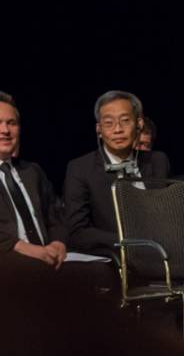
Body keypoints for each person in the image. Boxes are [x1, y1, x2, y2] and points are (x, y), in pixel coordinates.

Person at [64, 90, 170, 256]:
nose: (117, 129)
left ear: (139, 124)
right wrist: (128, 241)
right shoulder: (80, 168)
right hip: (115, 255)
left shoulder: (157, 161)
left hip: (162, 252)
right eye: (108, 123)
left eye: (125, 121)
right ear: (98, 130)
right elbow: (78, 232)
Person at [0, 92, 68, 269]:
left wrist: (58, 243)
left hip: (47, 259)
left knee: (100, 271)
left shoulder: (32, 171)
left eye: (11, 123)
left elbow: (56, 215)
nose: (5, 130)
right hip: (9, 262)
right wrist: (24, 248)